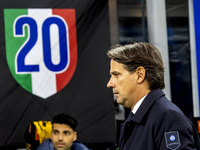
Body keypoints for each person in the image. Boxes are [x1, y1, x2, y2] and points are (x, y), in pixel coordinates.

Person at [106, 42, 200, 150]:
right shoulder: (134, 121)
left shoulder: (169, 119)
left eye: (116, 75)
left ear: (140, 75)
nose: (110, 84)